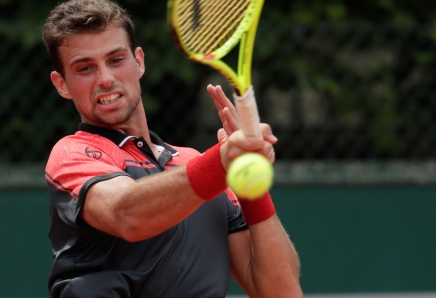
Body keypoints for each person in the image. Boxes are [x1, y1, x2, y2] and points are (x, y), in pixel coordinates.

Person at [42, 0, 302, 297]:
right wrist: (222, 160)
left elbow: (281, 292)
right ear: (62, 84)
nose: (105, 78)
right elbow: (128, 216)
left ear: (139, 61)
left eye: (116, 60)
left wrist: (247, 180)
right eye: (85, 68)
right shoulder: (72, 154)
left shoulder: (198, 164)